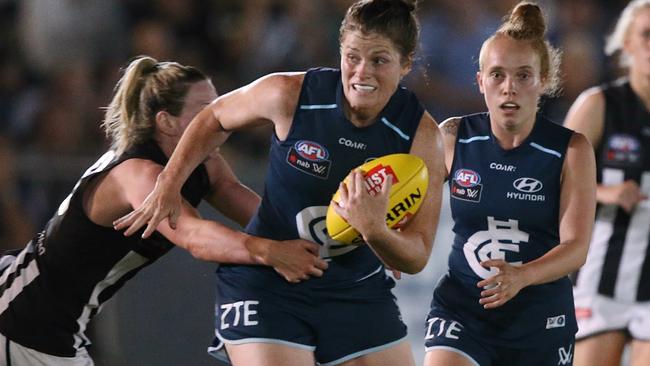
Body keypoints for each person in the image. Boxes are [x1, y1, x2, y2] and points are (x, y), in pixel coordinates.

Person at [114, 0, 446, 364]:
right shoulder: (291, 94)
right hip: (269, 280)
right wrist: (168, 184)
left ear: (406, 64)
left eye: (379, 60)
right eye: (352, 56)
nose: (361, 73)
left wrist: (377, 231)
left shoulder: (421, 135)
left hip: (356, 289)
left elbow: (417, 255)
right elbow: (214, 117)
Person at [0, 56, 328, 366]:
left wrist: (326, 234)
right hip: (25, 319)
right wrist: (271, 252)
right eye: (205, 108)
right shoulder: (138, 173)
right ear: (166, 122)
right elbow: (194, 235)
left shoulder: (206, 162)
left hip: (48, 319)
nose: (219, 115)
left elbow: (258, 211)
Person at [423, 2, 596, 366]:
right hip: (463, 310)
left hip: (540, 321)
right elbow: (411, 200)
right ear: (480, 81)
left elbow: (577, 248)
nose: (509, 89)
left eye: (523, 76)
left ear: (544, 81)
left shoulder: (571, 150)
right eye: (497, 75)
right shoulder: (454, 136)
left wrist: (522, 276)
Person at [564, 1, 650, 365]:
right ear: (626, 44)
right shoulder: (598, 104)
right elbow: (549, 179)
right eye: (647, 36)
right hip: (601, 278)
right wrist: (603, 192)